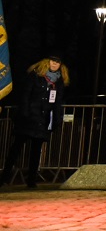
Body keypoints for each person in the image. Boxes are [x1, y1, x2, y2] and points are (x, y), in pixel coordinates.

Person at [4, 55, 68, 188]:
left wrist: (57, 119)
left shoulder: (60, 81)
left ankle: (31, 180)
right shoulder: (36, 75)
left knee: (36, 151)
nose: (55, 64)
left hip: (42, 119)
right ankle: (4, 177)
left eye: (58, 62)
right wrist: (25, 113)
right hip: (28, 118)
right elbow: (26, 95)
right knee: (16, 148)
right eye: (53, 61)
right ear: (47, 62)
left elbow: (57, 102)